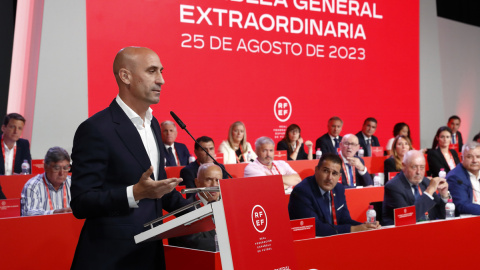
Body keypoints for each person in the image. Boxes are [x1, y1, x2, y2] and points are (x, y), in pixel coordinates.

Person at [70, 47, 189, 270]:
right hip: (110, 259)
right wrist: (134, 193)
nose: (161, 80)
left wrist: (202, 207)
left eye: (161, 71)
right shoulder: (96, 129)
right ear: (125, 76)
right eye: (152, 71)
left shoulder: (154, 124)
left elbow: (157, 189)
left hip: (150, 254)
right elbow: (81, 202)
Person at [288, 153, 381, 236]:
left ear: (339, 176)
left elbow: (344, 220)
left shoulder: (339, 189)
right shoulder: (302, 191)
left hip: (332, 241)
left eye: (335, 173)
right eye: (325, 171)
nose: (330, 178)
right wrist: (354, 229)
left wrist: (365, 226)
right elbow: (315, 228)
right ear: (316, 170)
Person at [382, 150, 450, 225]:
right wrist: (429, 191)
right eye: (414, 167)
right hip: (403, 233)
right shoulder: (393, 187)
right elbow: (407, 219)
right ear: (403, 166)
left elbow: (442, 215)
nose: (418, 172)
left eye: (422, 167)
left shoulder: (425, 182)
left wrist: (444, 196)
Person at [169, 163, 221, 251]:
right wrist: (230, 243)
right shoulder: (186, 209)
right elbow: (197, 244)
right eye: (209, 180)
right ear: (197, 182)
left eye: (218, 180)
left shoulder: (228, 205)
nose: (214, 185)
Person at [21, 147, 72, 216]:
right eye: (57, 168)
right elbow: (29, 214)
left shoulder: (73, 183)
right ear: (45, 167)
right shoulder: (32, 186)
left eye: (65, 168)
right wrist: (55, 213)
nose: (62, 173)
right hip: (42, 226)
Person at [446, 141, 480, 215]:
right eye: (469, 157)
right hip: (468, 220)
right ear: (462, 158)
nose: (475, 161)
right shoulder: (455, 177)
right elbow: (462, 206)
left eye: (478, 157)